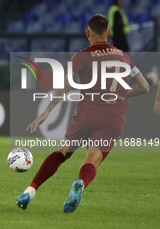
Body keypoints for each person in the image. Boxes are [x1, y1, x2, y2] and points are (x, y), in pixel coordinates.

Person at [16, 14, 149, 212]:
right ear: (109, 33)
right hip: (115, 118)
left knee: (62, 153)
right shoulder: (124, 57)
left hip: (88, 114)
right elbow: (145, 87)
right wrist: (118, 93)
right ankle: (80, 182)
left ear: (88, 33)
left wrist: (47, 111)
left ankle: (30, 191)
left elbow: (65, 86)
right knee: (91, 161)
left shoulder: (82, 56)